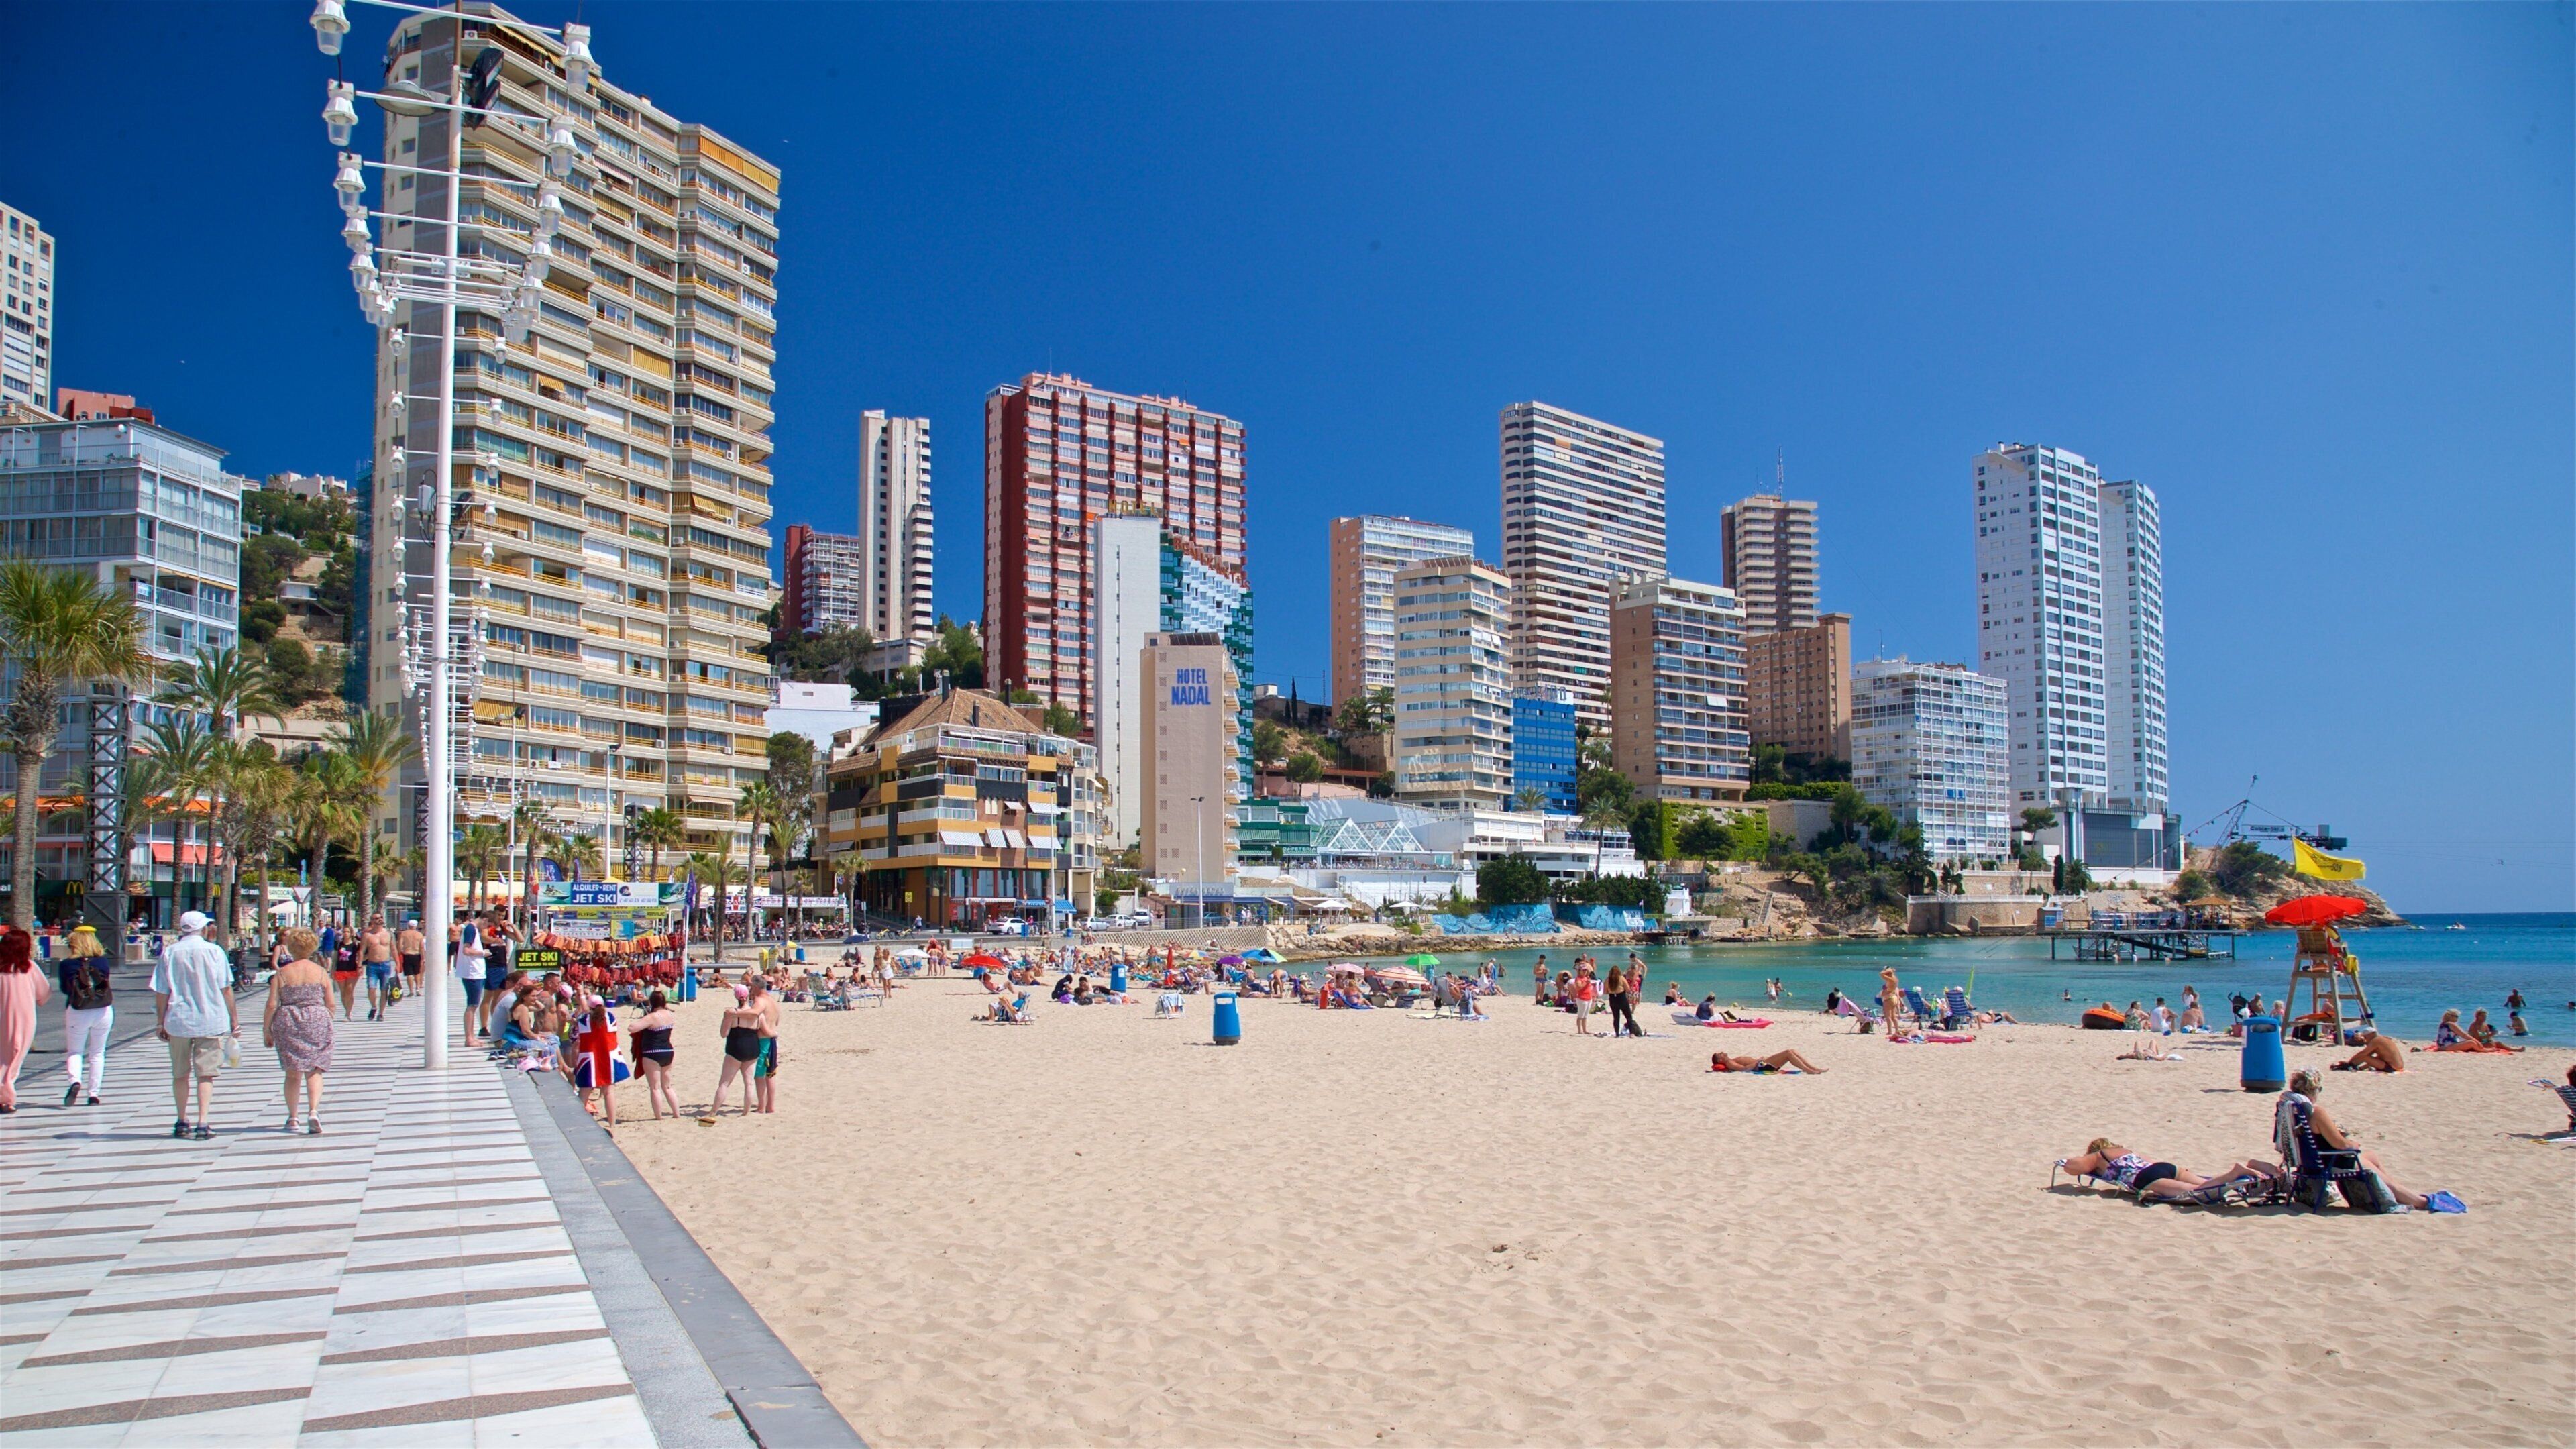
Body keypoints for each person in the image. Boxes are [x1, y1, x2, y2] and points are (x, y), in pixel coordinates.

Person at [2277, 1069, 2440, 1210]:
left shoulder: (2294, 1109)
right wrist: (2353, 1144)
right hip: (2330, 1161)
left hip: (2311, 1161)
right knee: (2361, 1155)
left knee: (2373, 1157)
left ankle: (2394, 1192)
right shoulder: (2317, 1112)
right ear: (2315, 1089)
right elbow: (2340, 1145)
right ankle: (2419, 1201)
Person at [152, 911, 237, 1140]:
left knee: (180, 1074)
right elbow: (226, 988)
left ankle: (181, 1120)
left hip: (178, 1020)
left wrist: (160, 1021)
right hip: (210, 1019)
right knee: (205, 1075)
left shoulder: (170, 953)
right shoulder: (214, 951)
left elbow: (162, 990)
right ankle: (203, 1122)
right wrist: (234, 1020)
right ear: (202, 927)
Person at [262, 926, 334, 1134]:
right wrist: (326, 1018)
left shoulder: (283, 973)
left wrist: (267, 1029)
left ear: (291, 947)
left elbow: (272, 1004)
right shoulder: (320, 972)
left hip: (289, 1019)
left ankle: (293, 1117)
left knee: (293, 1073)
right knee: (315, 1070)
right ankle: (313, 1111)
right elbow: (330, 1003)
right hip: (316, 1018)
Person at [2057, 1138, 2272, 1201]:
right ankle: (2247, 1169)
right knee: (2206, 1182)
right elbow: (2150, 1160)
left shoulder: (2099, 1156)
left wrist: (2075, 1160)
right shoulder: (2126, 1150)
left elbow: (2073, 1169)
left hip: (2146, 1178)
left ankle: (2236, 1172)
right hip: (2164, 1167)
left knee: (2200, 1193)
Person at [57, 923, 112, 1108]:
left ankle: (75, 1081)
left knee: (75, 1051)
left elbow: (65, 989)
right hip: (102, 1010)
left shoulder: (66, 965)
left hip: (78, 1010)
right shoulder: (102, 962)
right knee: (98, 1053)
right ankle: (94, 1094)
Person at [0, 926, 52, 1112]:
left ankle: (5, 1092)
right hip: (24, 1018)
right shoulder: (29, 967)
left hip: (2, 1017)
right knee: (16, 1054)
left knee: (4, 1055)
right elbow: (44, 992)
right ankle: (6, 1093)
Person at [705, 981, 763, 1120]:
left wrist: (726, 1019)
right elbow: (763, 1031)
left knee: (724, 1083)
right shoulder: (757, 1013)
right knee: (749, 1083)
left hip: (736, 1048)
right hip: (753, 1048)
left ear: (736, 997)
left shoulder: (732, 1014)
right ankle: (746, 1112)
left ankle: (714, 1111)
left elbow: (724, 1034)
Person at [631, 989, 678, 1120]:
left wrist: (644, 1020)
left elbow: (632, 1028)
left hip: (652, 1052)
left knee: (655, 1088)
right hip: (668, 1051)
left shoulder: (652, 1017)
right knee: (667, 1086)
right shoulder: (670, 1015)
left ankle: (659, 1117)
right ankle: (676, 1113)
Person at [455, 911, 490, 1046]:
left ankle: (471, 1037)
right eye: (488, 925)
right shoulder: (471, 929)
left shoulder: (472, 929)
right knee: (472, 1005)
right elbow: (466, 950)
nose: (486, 928)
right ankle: (469, 1038)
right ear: (485, 920)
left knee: (473, 1004)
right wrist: (483, 953)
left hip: (475, 972)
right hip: (472, 973)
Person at [750, 972, 781, 1114]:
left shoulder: (760, 1001)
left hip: (763, 1041)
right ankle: (770, 1106)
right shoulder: (773, 1001)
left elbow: (753, 1014)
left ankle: (762, 1107)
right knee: (770, 1074)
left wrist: (735, 1013)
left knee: (759, 1075)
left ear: (756, 987)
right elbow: (777, 1021)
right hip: (773, 1041)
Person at [359, 915, 394, 1021]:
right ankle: (374, 1007)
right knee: (371, 988)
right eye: (376, 918)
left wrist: (398, 963)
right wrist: (359, 965)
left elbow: (393, 949)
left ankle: (381, 1013)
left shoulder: (388, 934)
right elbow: (361, 950)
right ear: (372, 921)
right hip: (372, 965)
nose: (379, 919)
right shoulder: (367, 935)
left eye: (381, 918)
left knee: (384, 990)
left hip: (386, 964)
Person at [327, 918, 362, 1020]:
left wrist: (360, 964)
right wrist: (332, 970)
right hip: (340, 970)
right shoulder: (339, 944)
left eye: (347, 932)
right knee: (343, 993)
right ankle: (347, 1010)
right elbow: (335, 959)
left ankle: (348, 1014)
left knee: (349, 991)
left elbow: (363, 955)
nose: (346, 934)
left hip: (352, 970)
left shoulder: (356, 945)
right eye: (344, 932)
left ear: (351, 934)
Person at [1710, 1048, 1827, 1075]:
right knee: (1788, 1053)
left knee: (1791, 1051)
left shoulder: (1731, 1060)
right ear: (1720, 1060)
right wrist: (1758, 1060)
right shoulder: (1730, 1063)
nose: (1723, 1052)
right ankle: (1809, 1070)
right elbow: (1745, 1069)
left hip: (1763, 1064)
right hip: (1762, 1066)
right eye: (1720, 1054)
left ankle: (1814, 1069)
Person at [2332, 1031, 2407, 1073]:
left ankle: (2349, 1066)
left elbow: (2363, 1054)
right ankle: (2352, 1066)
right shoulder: (2384, 1040)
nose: (2365, 1039)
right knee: (2367, 1056)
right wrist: (2361, 1068)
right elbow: (2373, 1057)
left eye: (2365, 1037)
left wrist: (2349, 1062)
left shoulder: (2376, 1041)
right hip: (2398, 1067)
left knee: (2363, 1056)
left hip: (2392, 1068)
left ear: (2370, 1035)